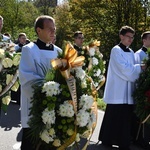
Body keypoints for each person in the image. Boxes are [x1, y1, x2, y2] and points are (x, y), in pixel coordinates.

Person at [98, 25, 145, 150]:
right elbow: (123, 69)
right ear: (121, 36)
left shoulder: (131, 52)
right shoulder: (116, 50)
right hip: (117, 90)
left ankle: (123, 140)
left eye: (132, 37)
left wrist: (140, 68)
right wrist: (140, 67)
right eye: (128, 37)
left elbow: (134, 70)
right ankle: (108, 139)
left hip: (128, 91)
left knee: (125, 117)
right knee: (115, 115)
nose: (130, 40)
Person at [19, 15, 62, 150]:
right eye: (50, 29)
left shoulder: (59, 51)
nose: (53, 32)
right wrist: (47, 93)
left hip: (55, 108)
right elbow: (27, 78)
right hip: (35, 107)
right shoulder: (29, 50)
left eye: (54, 29)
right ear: (39, 30)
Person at [133, 31, 150, 149]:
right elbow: (136, 71)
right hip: (142, 88)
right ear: (144, 40)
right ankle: (141, 139)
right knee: (143, 114)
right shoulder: (138, 54)